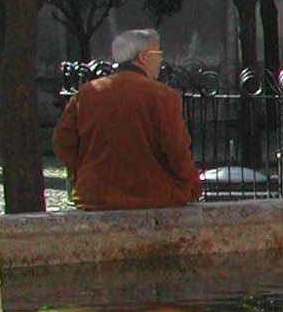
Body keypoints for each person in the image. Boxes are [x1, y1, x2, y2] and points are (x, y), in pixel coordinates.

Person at [53, 28, 203, 211]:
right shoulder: (162, 95)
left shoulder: (87, 93)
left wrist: (86, 171)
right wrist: (192, 182)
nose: (161, 60)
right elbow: (175, 148)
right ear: (143, 57)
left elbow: (63, 140)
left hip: (95, 195)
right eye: (159, 53)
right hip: (153, 195)